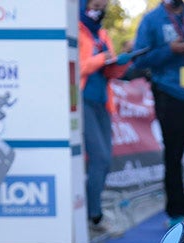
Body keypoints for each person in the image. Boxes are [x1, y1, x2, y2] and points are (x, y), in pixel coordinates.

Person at [132, 0, 184, 226]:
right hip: (169, 93)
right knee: (174, 154)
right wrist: (169, 50)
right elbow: (140, 59)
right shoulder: (151, 20)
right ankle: (177, 211)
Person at [79, 0, 131, 227]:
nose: (100, 7)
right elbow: (78, 67)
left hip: (102, 103)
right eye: (96, 3)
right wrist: (103, 58)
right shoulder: (76, 31)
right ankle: (94, 215)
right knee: (99, 157)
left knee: (105, 160)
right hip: (82, 101)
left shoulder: (102, 33)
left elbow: (111, 72)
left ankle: (93, 212)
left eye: (104, 3)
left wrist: (125, 59)